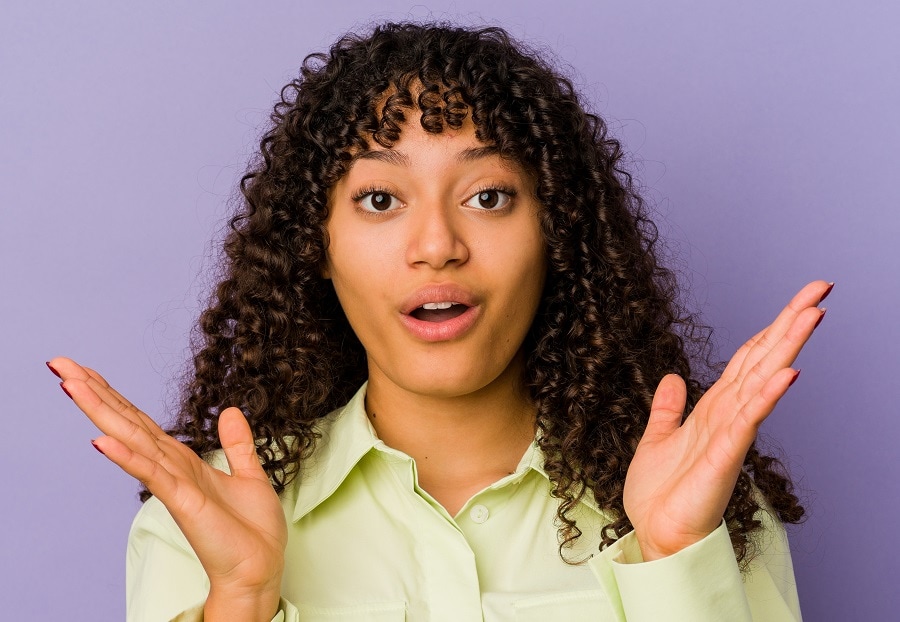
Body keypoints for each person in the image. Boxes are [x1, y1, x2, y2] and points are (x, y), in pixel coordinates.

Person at [48, 22, 827, 621]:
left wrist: (674, 558)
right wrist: (243, 596)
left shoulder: (705, 502)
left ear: (556, 232)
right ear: (315, 245)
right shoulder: (200, 520)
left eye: (487, 196)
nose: (437, 248)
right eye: (380, 200)